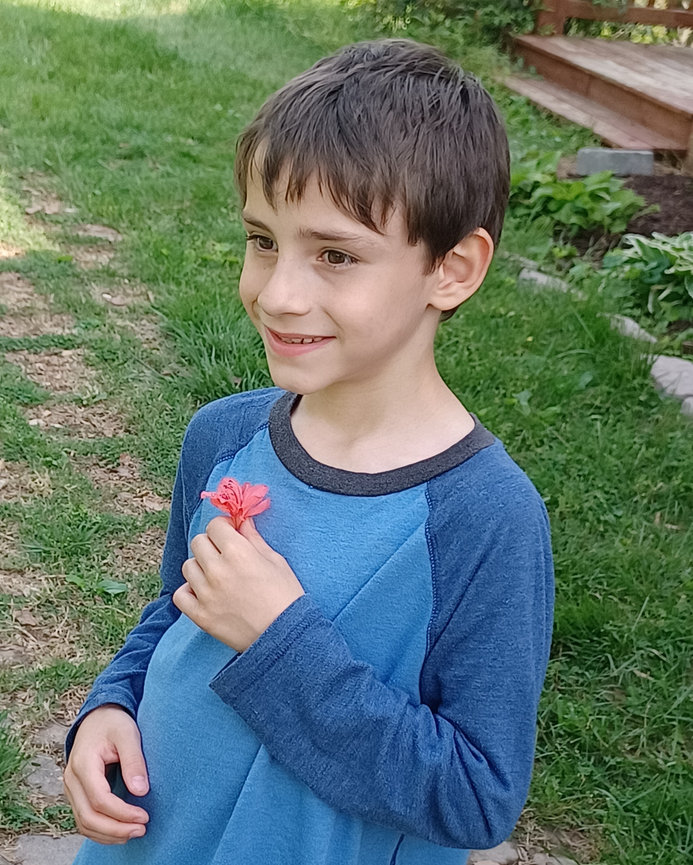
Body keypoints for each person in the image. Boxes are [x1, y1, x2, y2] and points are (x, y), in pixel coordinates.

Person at [64, 38, 554, 865]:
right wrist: (112, 701)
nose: (278, 292)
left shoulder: (484, 517)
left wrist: (278, 640)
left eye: (335, 255)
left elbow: (474, 797)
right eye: (262, 240)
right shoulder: (222, 436)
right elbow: (173, 612)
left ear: (452, 268)